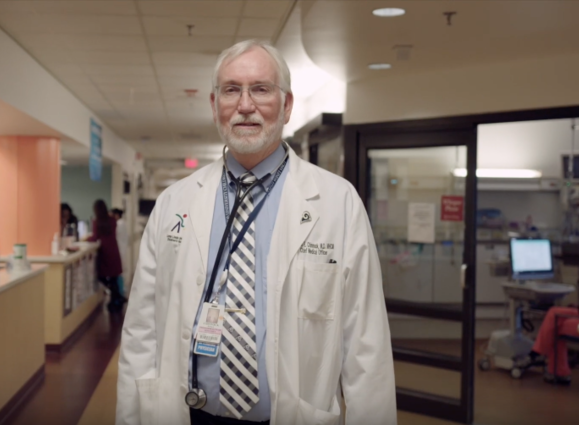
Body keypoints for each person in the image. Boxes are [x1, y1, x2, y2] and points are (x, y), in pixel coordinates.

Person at [117, 40, 396, 425]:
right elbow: (141, 333)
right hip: (190, 413)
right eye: (231, 90)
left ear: (286, 105)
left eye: (261, 89)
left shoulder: (337, 203)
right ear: (215, 106)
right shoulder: (174, 203)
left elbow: (367, 346)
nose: (245, 105)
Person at [527, 244, 579, 385]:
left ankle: (544, 360)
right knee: (554, 316)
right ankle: (555, 369)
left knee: (554, 323)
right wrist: (577, 307)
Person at [87, 199, 124, 311]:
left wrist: (85, 240)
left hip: (105, 251)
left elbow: (95, 237)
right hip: (113, 248)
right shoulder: (112, 220)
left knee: (101, 276)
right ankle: (117, 299)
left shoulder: (96, 221)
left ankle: (117, 298)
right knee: (113, 277)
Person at [111, 207, 130, 299]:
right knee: (120, 273)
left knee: (119, 273)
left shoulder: (119, 224)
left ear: (116, 215)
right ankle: (121, 292)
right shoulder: (122, 223)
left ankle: (120, 293)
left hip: (119, 250)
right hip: (121, 250)